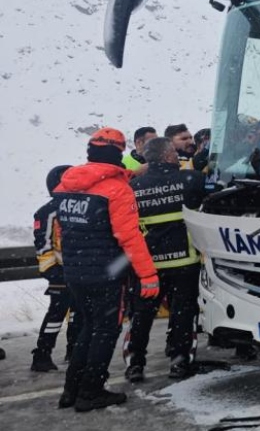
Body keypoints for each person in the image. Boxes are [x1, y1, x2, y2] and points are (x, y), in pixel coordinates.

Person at [53, 128, 159, 412]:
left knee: (88, 327)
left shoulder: (66, 187)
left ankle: (71, 390)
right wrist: (148, 275)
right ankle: (91, 391)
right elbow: (130, 237)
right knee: (105, 330)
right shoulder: (116, 190)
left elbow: (64, 229)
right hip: (105, 273)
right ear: (118, 153)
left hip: (75, 272)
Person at [124, 137, 208, 381]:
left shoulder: (134, 187)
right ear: (170, 156)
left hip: (148, 266)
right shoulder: (191, 180)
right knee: (184, 313)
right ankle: (180, 362)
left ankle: (135, 364)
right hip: (185, 261)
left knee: (141, 316)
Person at [31, 164, 79, 372]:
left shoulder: (80, 206)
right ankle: (42, 354)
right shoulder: (47, 212)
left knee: (80, 313)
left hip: (80, 271)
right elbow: (43, 244)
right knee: (56, 313)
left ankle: (75, 350)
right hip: (59, 271)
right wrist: (51, 271)